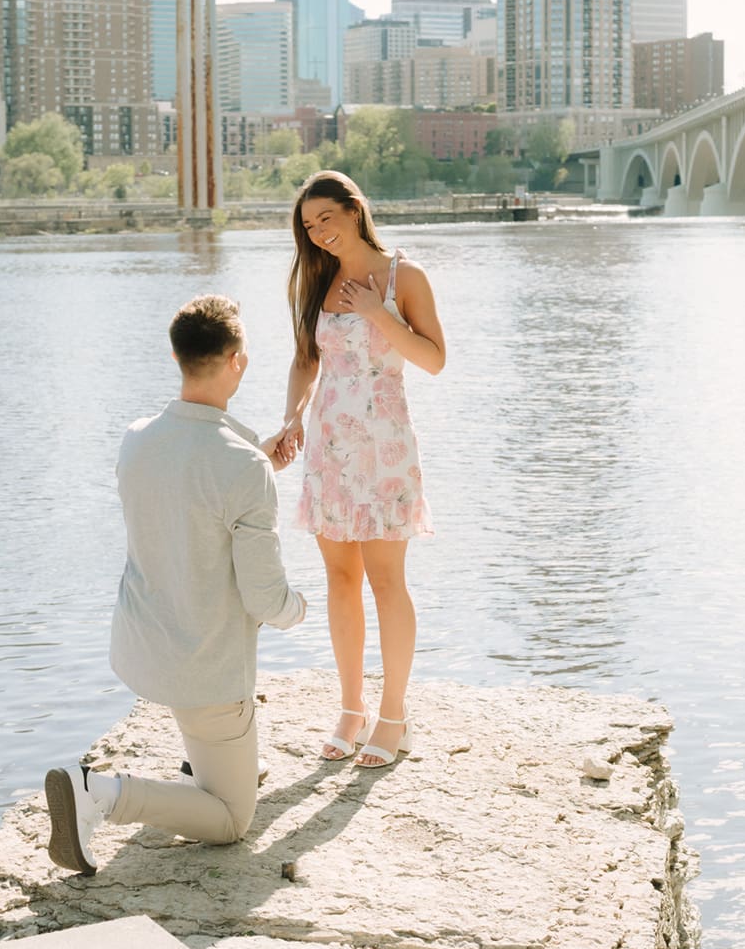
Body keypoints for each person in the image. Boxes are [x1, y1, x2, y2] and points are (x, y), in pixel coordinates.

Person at [44, 294, 308, 876]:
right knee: (233, 819)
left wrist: (255, 460)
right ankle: (100, 793)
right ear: (238, 360)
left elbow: (185, 492)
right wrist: (302, 610)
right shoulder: (243, 468)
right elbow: (266, 599)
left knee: (221, 756)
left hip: (143, 648)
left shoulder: (137, 438)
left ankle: (201, 767)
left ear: (176, 355)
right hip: (203, 670)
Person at [277, 171, 445, 770]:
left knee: (385, 580)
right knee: (340, 579)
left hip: (384, 448)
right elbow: (305, 361)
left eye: (326, 219)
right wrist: (292, 419)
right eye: (308, 227)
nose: (318, 234)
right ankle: (351, 708)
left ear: (354, 210)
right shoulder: (316, 279)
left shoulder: (406, 276)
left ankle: (394, 715)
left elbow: (433, 361)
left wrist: (378, 312)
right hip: (328, 450)